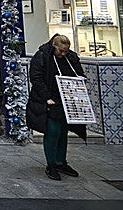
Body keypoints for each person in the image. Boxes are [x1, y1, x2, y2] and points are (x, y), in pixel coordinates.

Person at [26, 34, 86, 181]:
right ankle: (51, 163)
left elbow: (78, 74)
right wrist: (47, 97)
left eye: (66, 51)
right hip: (49, 100)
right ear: (54, 46)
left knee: (63, 131)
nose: (63, 54)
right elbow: (36, 78)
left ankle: (61, 161)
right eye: (60, 50)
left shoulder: (71, 58)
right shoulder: (42, 56)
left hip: (66, 99)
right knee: (53, 130)